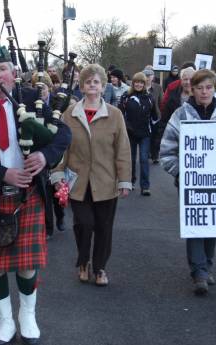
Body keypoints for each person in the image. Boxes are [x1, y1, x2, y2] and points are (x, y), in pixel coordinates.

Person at [0, 46, 71, 345]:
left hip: (27, 195)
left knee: (26, 262)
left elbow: (63, 134)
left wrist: (46, 156)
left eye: (2, 69)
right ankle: (5, 322)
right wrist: (2, 173)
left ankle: (27, 317)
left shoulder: (32, 99)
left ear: (12, 73)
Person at [51, 64, 131, 286]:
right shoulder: (70, 114)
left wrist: (124, 179)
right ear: (82, 86)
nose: (92, 86)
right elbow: (61, 147)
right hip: (77, 181)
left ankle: (100, 268)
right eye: (88, 82)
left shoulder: (115, 115)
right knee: (84, 224)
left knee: (104, 227)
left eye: (96, 82)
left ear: (103, 86)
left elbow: (122, 149)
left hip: (106, 181)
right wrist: (57, 174)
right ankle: (83, 261)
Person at [160, 69, 216, 295]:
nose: (204, 92)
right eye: (200, 88)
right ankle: (199, 272)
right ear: (191, 89)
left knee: (212, 224)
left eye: (209, 87)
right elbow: (166, 151)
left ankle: (207, 265)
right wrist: (181, 173)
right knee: (195, 224)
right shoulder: (180, 115)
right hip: (189, 181)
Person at [30, 72, 66, 237]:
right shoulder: (30, 104)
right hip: (40, 154)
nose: (40, 91)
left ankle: (60, 216)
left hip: (57, 154)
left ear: (49, 88)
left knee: (57, 189)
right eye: (36, 88)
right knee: (45, 191)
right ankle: (48, 226)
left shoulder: (58, 104)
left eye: (43, 88)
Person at [119, 72, 158, 195]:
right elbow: (120, 114)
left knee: (143, 159)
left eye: (141, 82)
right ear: (133, 83)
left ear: (145, 83)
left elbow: (154, 116)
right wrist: (126, 127)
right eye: (136, 82)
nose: (139, 84)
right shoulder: (126, 97)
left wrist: (155, 130)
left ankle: (145, 186)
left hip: (145, 133)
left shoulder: (150, 97)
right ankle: (130, 181)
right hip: (130, 133)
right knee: (130, 159)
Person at [143, 68, 163, 163]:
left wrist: (160, 114)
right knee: (146, 136)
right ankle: (146, 153)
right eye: (145, 76)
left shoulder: (158, 88)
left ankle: (155, 155)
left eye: (149, 76)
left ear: (153, 77)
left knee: (155, 136)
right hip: (143, 115)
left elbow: (161, 102)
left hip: (155, 115)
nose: (147, 78)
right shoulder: (140, 87)